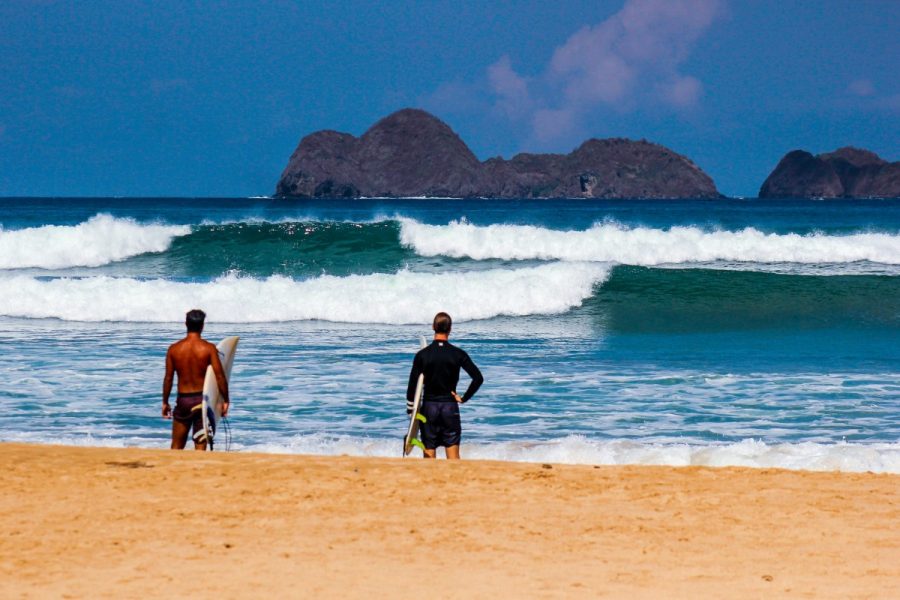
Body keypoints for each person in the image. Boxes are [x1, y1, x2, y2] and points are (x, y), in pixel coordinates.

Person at [406, 312, 483, 459]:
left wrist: (411, 409)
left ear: (433, 327)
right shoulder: (458, 354)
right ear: (450, 329)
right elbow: (478, 378)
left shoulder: (422, 355)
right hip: (450, 408)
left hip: (429, 408)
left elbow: (413, 384)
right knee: (453, 458)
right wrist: (464, 398)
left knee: (429, 453)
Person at [162, 309, 229, 450]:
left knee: (176, 446)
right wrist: (225, 399)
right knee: (200, 446)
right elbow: (219, 376)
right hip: (202, 402)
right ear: (202, 325)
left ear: (185, 324)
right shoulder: (209, 348)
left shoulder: (174, 349)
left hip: (183, 401)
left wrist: (165, 402)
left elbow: (168, 378)